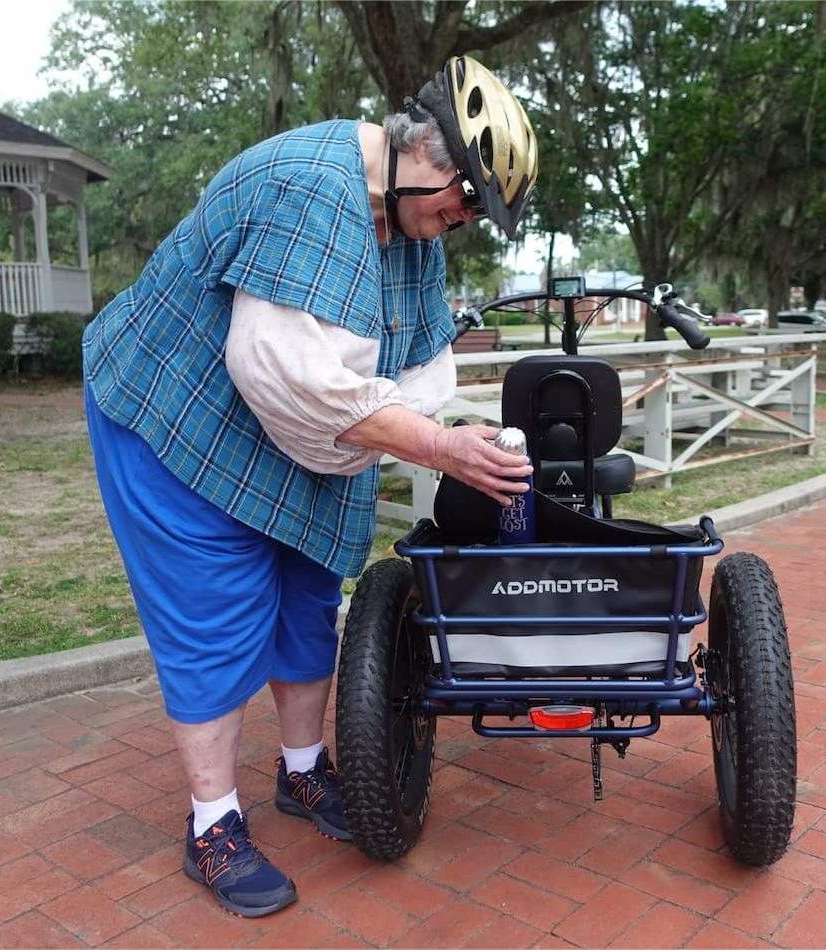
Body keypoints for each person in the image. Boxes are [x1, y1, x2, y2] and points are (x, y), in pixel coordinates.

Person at [81, 56, 538, 918]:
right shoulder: (308, 186)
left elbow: (420, 366)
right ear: (429, 157)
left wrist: (441, 430)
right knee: (216, 619)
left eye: (476, 213)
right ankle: (212, 824)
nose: (462, 220)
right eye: (466, 199)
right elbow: (283, 371)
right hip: (177, 416)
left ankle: (301, 772)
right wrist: (438, 448)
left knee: (307, 598)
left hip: (305, 435)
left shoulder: (409, 226)